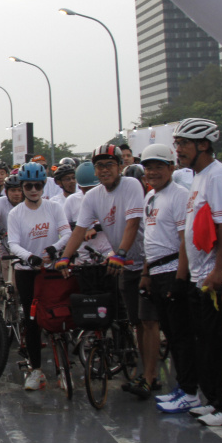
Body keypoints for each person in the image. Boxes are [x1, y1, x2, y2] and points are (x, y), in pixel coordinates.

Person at [174, 118, 222, 426]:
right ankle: (216, 400)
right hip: (202, 275)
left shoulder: (219, 176)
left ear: (203, 145)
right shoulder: (199, 177)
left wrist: (219, 271)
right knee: (207, 342)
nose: (178, 150)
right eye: (177, 143)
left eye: (184, 144)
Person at [58, 143, 149, 397]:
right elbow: (79, 230)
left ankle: (150, 374)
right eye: (99, 166)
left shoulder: (130, 185)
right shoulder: (93, 196)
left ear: (120, 166)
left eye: (109, 164)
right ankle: (142, 368)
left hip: (144, 260)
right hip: (123, 264)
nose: (104, 170)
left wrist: (120, 253)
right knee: (133, 319)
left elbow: (133, 223)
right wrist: (65, 258)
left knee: (147, 322)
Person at [131, 145, 195, 414]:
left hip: (173, 273)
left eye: (159, 166)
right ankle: (182, 388)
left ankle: (189, 391)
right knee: (167, 331)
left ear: (171, 168)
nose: (153, 172)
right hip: (155, 273)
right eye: (149, 167)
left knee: (181, 336)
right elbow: (149, 240)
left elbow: (185, 241)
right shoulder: (150, 198)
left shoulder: (180, 196)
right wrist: (145, 274)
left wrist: (180, 280)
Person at [8, 163, 71, 390]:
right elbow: (13, 243)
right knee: (32, 322)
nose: (33, 190)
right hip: (27, 273)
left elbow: (67, 233)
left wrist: (55, 248)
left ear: (44, 185)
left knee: (58, 316)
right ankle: (36, 370)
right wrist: (29, 257)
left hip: (52, 271)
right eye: (28, 186)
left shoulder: (54, 208)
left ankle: (64, 368)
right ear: (22, 187)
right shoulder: (16, 213)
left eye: (37, 185)